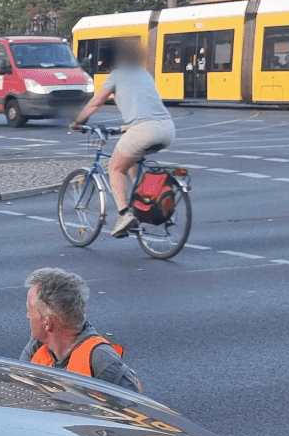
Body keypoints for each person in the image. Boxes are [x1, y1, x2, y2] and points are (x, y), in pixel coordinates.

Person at [71, 37, 174, 238]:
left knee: (115, 168)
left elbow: (95, 102)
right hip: (167, 128)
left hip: (144, 130)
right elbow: (146, 103)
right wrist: (129, 125)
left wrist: (78, 121)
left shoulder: (116, 76)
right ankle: (147, 206)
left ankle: (124, 214)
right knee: (133, 165)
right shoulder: (145, 74)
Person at [19, 268, 142, 392]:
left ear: (48, 322)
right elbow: (18, 390)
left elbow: (135, 405)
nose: (27, 316)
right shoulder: (37, 347)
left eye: (29, 310)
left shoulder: (101, 360)